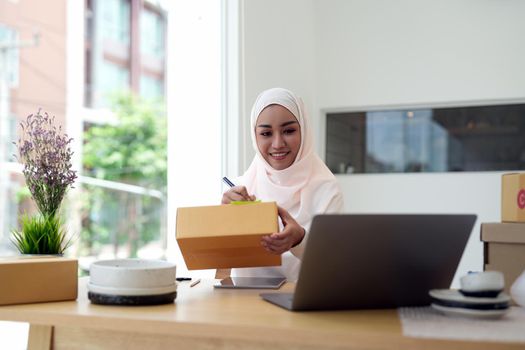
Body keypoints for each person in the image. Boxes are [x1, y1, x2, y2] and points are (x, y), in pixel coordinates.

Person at [221, 87, 344, 281]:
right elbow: (220, 259)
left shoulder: (326, 188)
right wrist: (221, 219)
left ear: (304, 130)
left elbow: (334, 263)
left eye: (288, 131)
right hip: (247, 302)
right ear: (255, 136)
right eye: (266, 133)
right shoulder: (238, 190)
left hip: (304, 300)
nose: (278, 143)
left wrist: (300, 239)